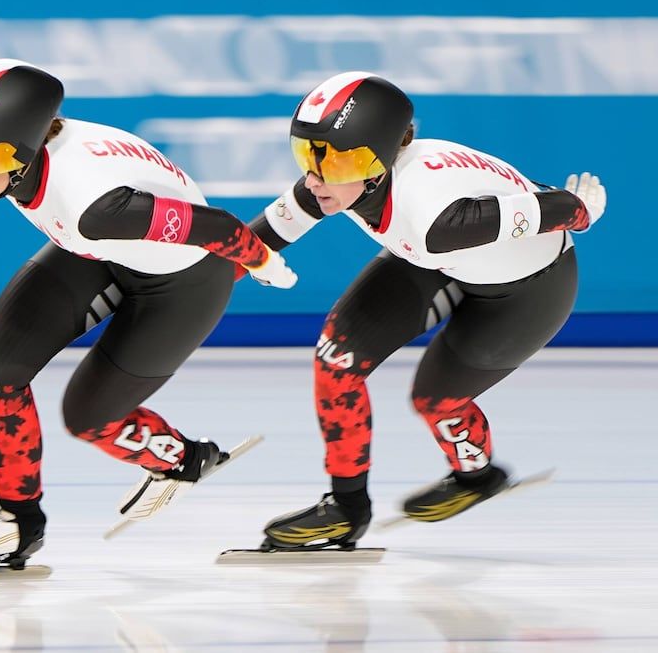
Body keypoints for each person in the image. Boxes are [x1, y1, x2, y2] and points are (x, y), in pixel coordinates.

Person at [0, 59, 297, 570]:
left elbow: (217, 226)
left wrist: (262, 261)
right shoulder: (3, 160)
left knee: (89, 417)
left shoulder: (93, 201)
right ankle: (18, 523)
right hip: (99, 252)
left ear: (22, 151)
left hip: (181, 283)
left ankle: (183, 460)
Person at [248, 71, 606, 550]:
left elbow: (554, 208)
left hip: (528, 288)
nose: (314, 179)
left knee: (435, 400)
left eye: (332, 162)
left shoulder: (436, 217)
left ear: (377, 164)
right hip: (433, 258)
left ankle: (478, 476)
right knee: (337, 360)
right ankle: (346, 508)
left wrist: (581, 210)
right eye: (308, 156)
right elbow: (254, 241)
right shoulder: (345, 180)